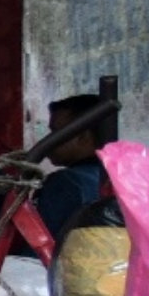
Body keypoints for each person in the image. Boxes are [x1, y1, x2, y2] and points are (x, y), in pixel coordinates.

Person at [34, 92, 117, 239]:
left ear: (84, 137)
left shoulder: (65, 183)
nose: (48, 140)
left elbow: (35, 253)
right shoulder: (121, 178)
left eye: (55, 132)